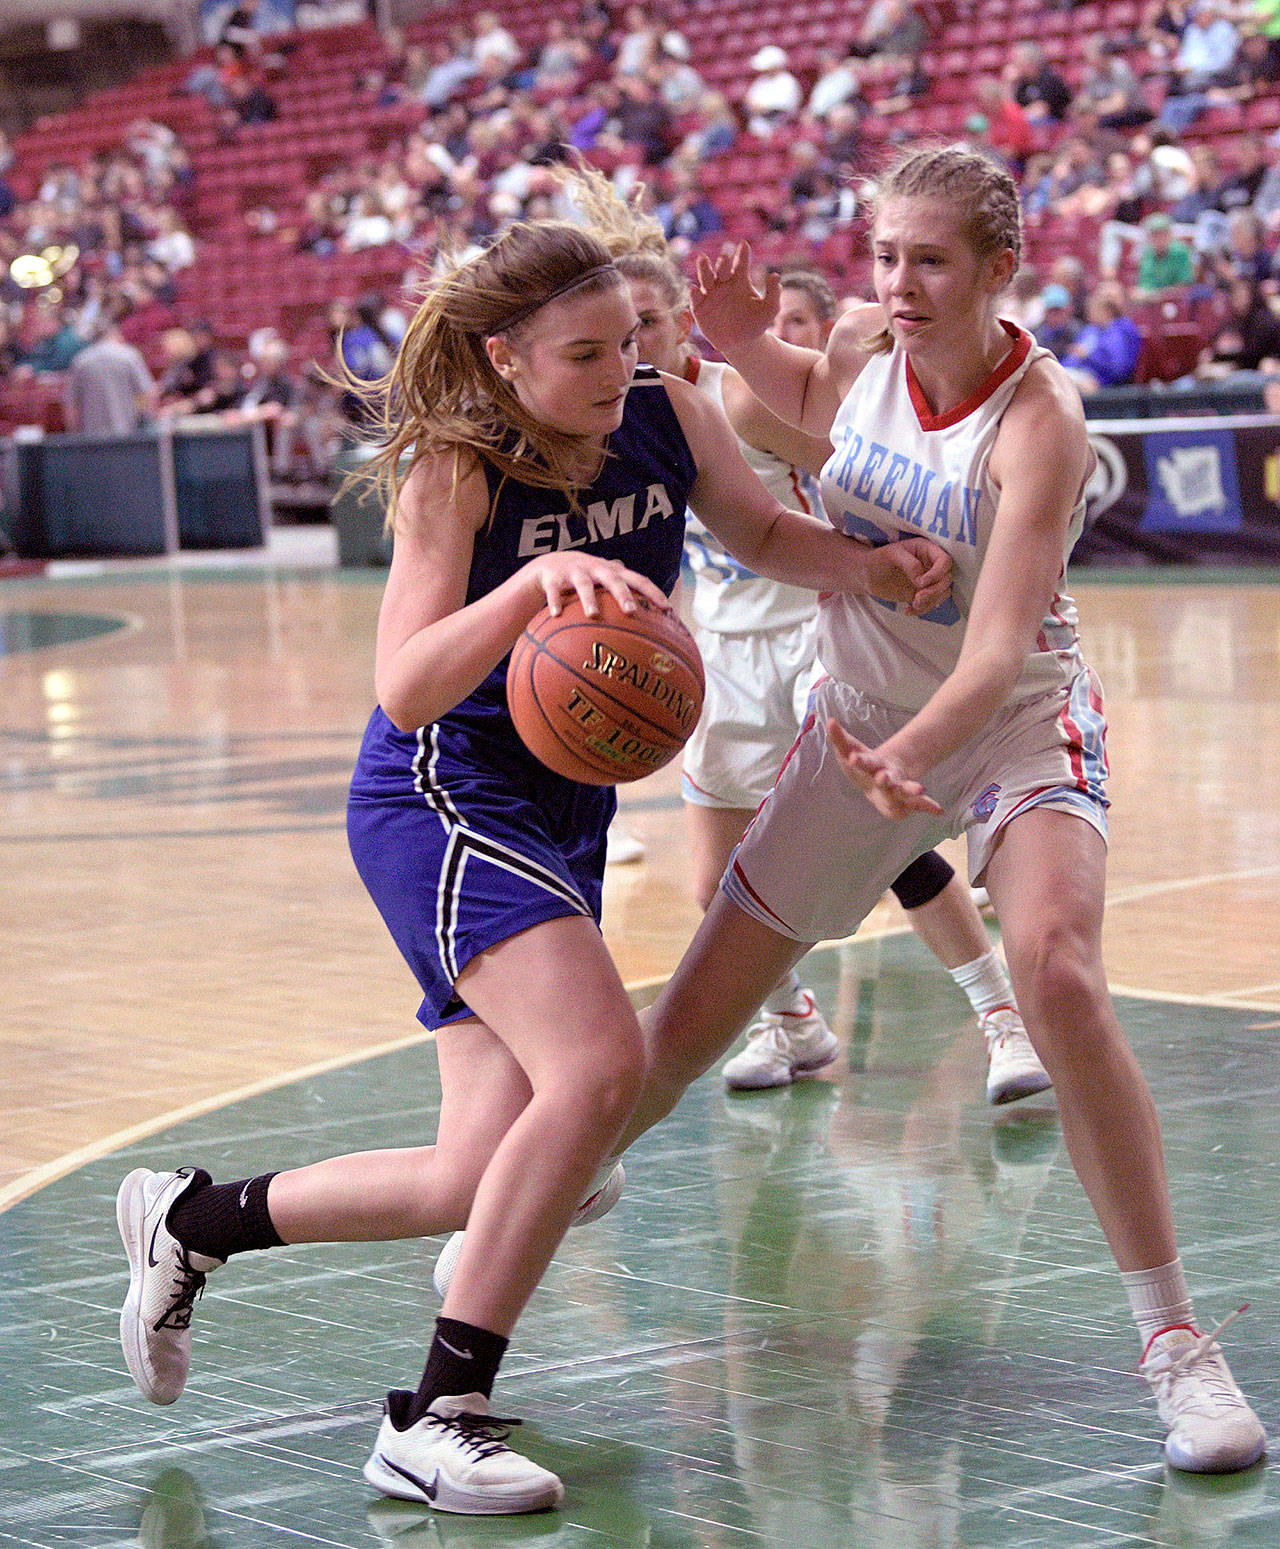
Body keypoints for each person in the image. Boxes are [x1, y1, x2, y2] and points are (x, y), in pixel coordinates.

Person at [113, 219, 951, 1515]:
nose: (622, 368)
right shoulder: (457, 469)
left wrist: (869, 566)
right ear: (504, 358)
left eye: (628, 340)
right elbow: (402, 682)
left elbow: (766, 535)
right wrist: (527, 592)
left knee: (473, 1173)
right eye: (586, 352)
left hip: (560, 804)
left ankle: (195, 1219)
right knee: (603, 1067)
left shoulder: (669, 409)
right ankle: (435, 1412)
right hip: (445, 791)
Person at [603, 143, 1267, 1477]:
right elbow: (801, 417)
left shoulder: (1042, 420)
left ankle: (1177, 1346)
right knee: (685, 1023)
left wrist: (906, 756)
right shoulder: (857, 346)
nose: (899, 284)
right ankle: (521, 1221)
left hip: (1012, 720)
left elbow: (996, 647)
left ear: (998, 271)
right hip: (861, 729)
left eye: (931, 262)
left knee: (1060, 970)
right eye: (885, 256)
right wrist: (732, 348)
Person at [559, 166, 1047, 1104]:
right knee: (716, 881)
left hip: (816, 632)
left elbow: (862, 460)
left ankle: (997, 1015)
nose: (636, 349)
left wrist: (887, 557)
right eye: (618, 337)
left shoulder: (734, 401)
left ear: (671, 325)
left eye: (648, 329)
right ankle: (794, 1026)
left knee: (901, 853)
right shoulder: (611, 425)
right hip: (722, 652)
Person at [62, 304, 157, 435]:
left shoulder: (80, 361)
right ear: (115, 331)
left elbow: (71, 408)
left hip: (92, 439)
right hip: (128, 436)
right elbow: (148, 395)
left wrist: (75, 437)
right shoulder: (130, 356)